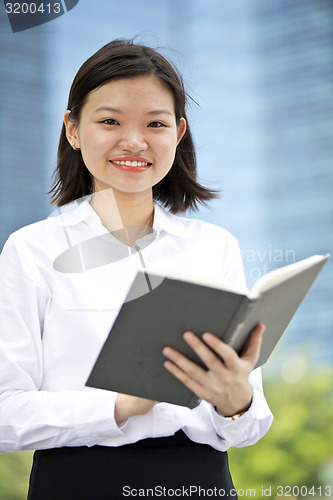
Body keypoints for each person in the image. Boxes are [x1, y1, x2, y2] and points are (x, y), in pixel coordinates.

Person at [0, 39, 273, 499]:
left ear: (179, 133)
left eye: (155, 124)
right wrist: (122, 404)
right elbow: (5, 414)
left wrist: (236, 401)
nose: (134, 142)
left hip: (202, 483)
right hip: (79, 483)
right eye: (109, 121)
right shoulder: (32, 250)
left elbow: (248, 428)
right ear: (72, 128)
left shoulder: (213, 248)